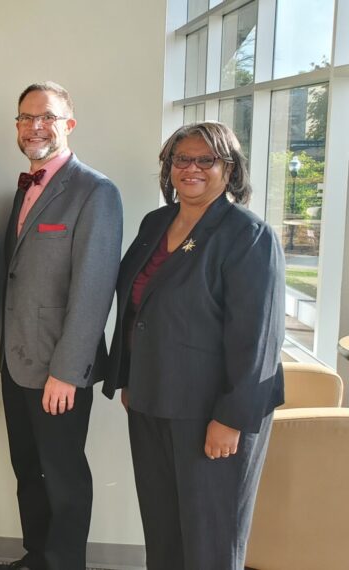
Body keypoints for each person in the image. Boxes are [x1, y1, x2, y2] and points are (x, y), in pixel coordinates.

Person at [103, 121, 284, 570]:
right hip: (151, 400)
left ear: (230, 169)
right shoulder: (156, 222)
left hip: (212, 414)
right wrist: (129, 379)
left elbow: (258, 338)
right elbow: (135, 307)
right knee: (163, 531)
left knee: (210, 540)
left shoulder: (248, 235)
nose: (192, 168)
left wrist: (231, 419)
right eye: (181, 159)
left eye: (207, 159)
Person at [0, 82, 123, 570]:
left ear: (69, 122)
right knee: (28, 470)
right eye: (25, 118)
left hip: (59, 369)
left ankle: (65, 564)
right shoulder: (24, 186)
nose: (34, 126)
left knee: (62, 474)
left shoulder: (95, 191)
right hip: (17, 363)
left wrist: (67, 371)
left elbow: (94, 291)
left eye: (46, 116)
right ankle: (36, 557)